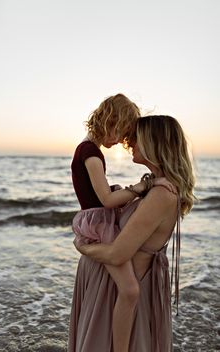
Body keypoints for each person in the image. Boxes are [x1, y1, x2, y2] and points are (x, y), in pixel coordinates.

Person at [73, 115, 195, 352]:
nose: (130, 142)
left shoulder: (161, 194)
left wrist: (82, 246)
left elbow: (118, 254)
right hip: (111, 288)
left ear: (153, 143)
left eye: (136, 137)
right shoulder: (154, 185)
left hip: (118, 294)